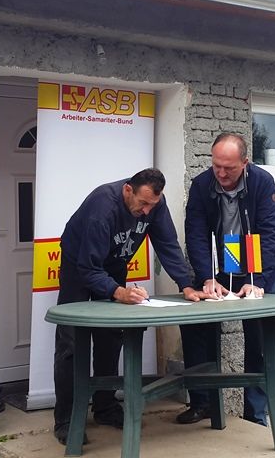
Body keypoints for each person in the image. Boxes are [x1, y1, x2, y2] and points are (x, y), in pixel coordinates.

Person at [53, 168, 202, 445]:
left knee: (111, 336)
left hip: (113, 265)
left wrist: (186, 284)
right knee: (71, 342)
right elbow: (88, 267)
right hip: (79, 267)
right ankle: (66, 419)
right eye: (142, 204)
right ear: (127, 191)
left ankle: (105, 407)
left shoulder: (154, 205)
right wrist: (117, 291)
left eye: (152, 205)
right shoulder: (103, 206)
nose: (147, 212)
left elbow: (167, 243)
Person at [178, 133, 275, 426]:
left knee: (259, 339)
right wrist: (205, 277)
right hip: (221, 262)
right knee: (196, 326)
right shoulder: (201, 184)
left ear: (245, 163)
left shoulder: (262, 182)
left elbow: (269, 232)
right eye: (217, 166)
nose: (222, 174)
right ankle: (203, 402)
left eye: (229, 168)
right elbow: (196, 233)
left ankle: (256, 414)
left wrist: (259, 280)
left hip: (259, 266)